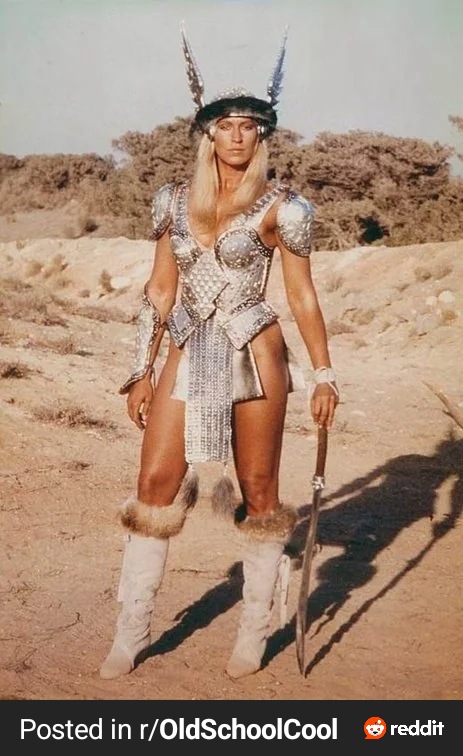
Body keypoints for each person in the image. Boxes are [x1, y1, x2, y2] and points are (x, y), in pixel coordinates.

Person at [100, 28, 339, 681]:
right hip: (186, 346)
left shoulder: (283, 207)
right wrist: (140, 369)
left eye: (248, 127)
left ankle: (254, 631)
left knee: (259, 491)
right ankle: (129, 633)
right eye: (226, 126)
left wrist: (323, 374)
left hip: (254, 349)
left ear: (262, 136)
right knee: (154, 485)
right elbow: (159, 288)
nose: (237, 136)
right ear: (207, 134)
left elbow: (302, 295)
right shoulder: (173, 201)